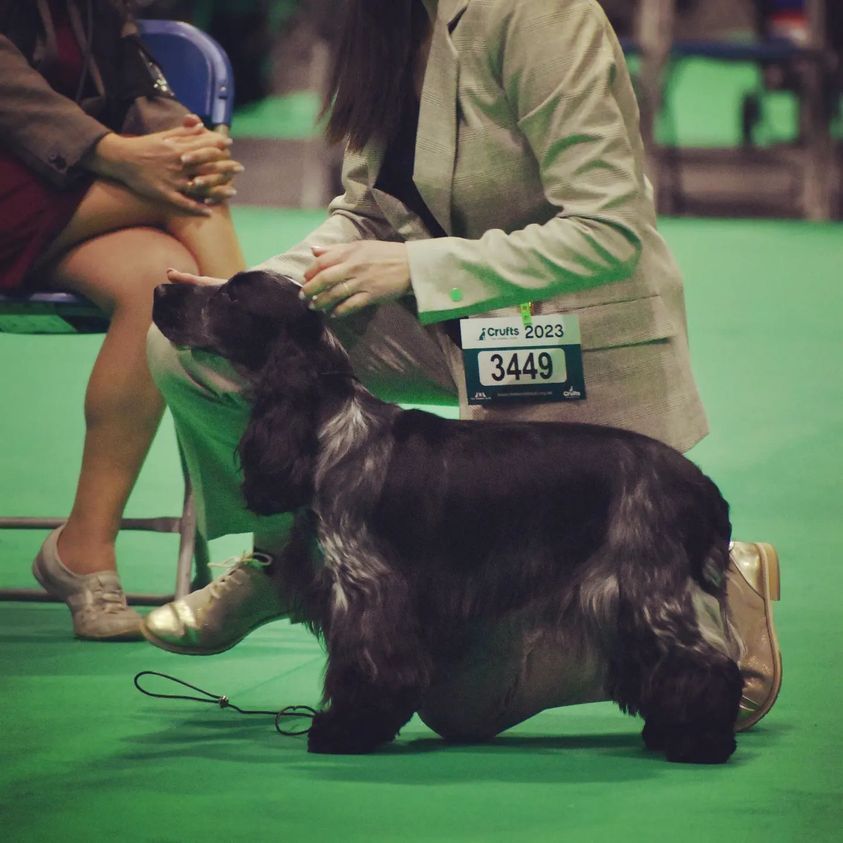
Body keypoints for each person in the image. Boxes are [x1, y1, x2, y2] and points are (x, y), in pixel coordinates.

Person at [142, 0, 781, 735]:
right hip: (452, 321)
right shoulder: (380, 20)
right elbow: (366, 212)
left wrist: (418, 265)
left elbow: (608, 228)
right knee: (188, 348)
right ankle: (285, 556)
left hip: (569, 330)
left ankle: (712, 581)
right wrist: (245, 295)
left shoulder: (542, 15)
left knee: (458, 703)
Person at [0, 0, 247, 640]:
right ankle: (280, 400)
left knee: (158, 284)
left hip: (58, 191)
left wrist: (187, 138)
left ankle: (83, 545)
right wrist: (117, 153)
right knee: (195, 195)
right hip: (38, 178)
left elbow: (139, 84)